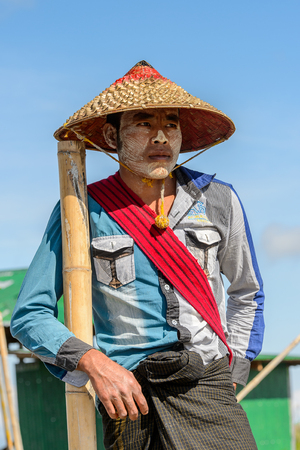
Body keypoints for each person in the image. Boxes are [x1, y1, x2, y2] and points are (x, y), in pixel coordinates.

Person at [11, 61, 264, 449]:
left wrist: (234, 372)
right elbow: (30, 314)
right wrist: (95, 364)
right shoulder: (82, 209)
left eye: (171, 124)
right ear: (113, 135)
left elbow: (247, 291)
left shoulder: (219, 200)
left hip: (208, 385)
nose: (161, 137)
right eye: (144, 123)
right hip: (128, 396)